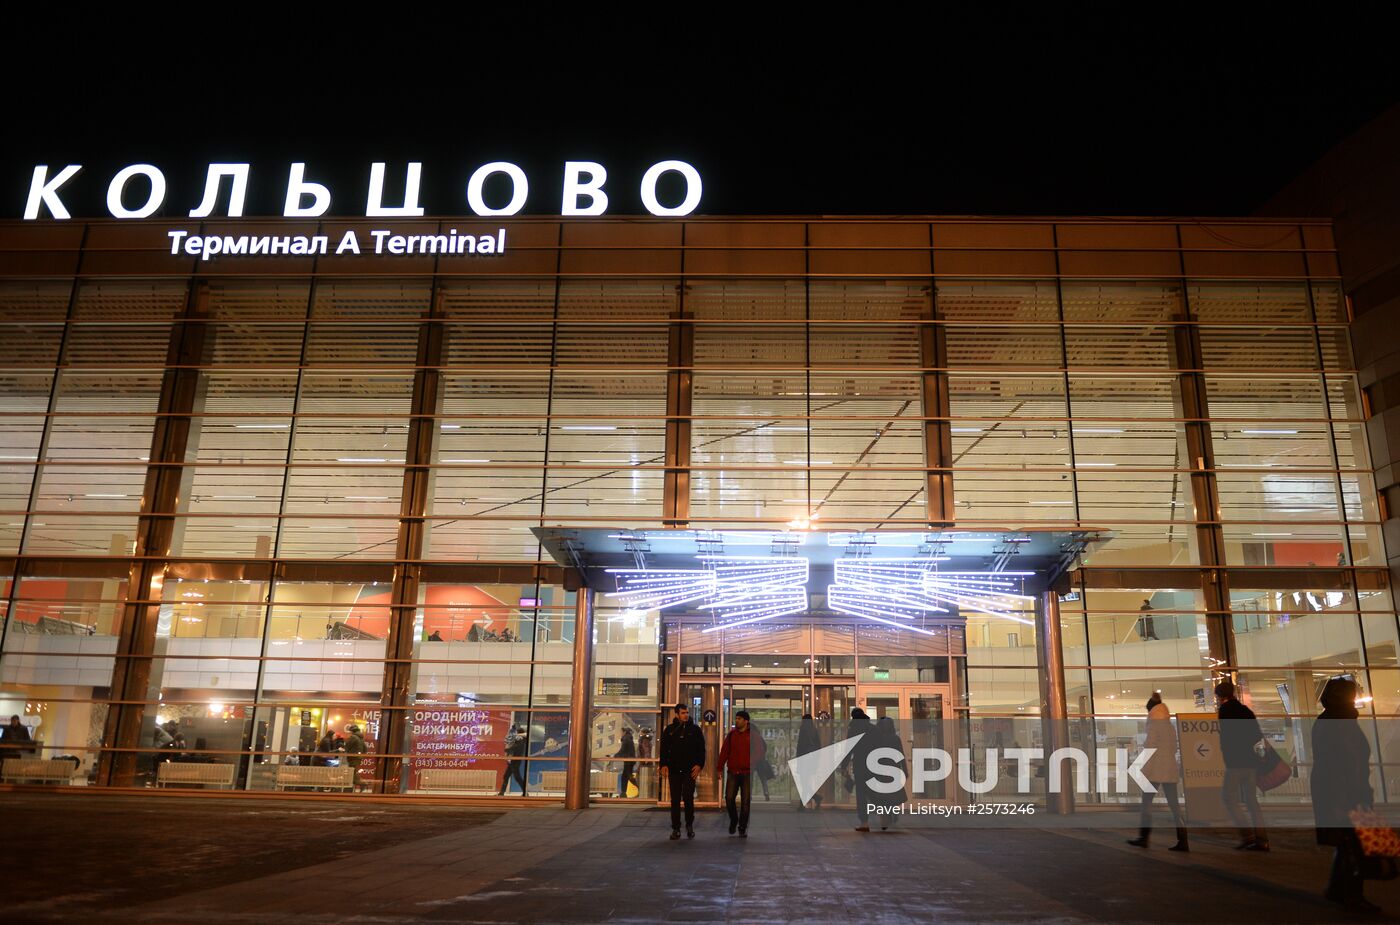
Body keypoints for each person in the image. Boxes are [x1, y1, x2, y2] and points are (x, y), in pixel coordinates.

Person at [1311, 677, 1381, 913]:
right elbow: (1340, 761)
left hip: (1343, 788)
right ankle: (1352, 894)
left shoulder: (1333, 719)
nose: (1354, 698)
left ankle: (1337, 889)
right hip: (1345, 790)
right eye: (1351, 694)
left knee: (1348, 841)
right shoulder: (1338, 721)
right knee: (1355, 842)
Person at [1126, 693, 1188, 851]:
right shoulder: (1169, 725)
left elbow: (1150, 746)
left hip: (1155, 768)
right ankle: (1183, 840)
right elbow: (1174, 748)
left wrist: (1141, 765)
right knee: (1175, 806)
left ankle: (1144, 838)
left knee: (1146, 803)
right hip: (1169, 768)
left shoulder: (1154, 724)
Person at [1216, 679, 1269, 850]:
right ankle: (1262, 839)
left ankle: (1247, 835)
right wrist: (1260, 758)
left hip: (1235, 762)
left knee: (1229, 798)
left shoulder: (1225, 711)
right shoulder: (1246, 711)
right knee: (1252, 801)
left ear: (1220, 696)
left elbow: (1227, 737)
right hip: (1251, 762)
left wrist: (1227, 756)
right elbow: (1257, 736)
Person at [658, 703, 706, 840]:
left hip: (689, 771)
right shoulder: (670, 730)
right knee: (675, 800)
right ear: (677, 714)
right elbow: (664, 749)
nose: (686, 715)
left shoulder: (695, 730)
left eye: (687, 712)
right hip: (674, 770)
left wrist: (699, 765)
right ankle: (676, 828)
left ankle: (689, 825)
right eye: (683, 713)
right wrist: (663, 765)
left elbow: (701, 749)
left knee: (688, 797)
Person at [719, 710, 766, 838]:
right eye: (736, 718)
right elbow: (724, 751)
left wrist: (751, 762)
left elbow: (760, 751)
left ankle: (742, 827)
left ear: (746, 721)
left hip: (746, 773)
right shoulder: (731, 735)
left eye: (739, 718)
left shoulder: (753, 736)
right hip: (733, 772)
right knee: (729, 798)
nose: (737, 720)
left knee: (745, 802)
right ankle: (734, 820)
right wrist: (719, 768)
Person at [838, 708, 876, 831]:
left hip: (860, 766)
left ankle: (864, 822)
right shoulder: (873, 729)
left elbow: (848, 750)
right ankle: (887, 813)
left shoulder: (853, 730)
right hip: (874, 765)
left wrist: (844, 767)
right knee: (874, 792)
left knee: (861, 794)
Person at [868, 715, 909, 830]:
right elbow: (901, 756)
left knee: (882, 796)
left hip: (879, 770)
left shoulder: (876, 738)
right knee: (893, 794)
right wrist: (905, 770)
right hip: (893, 770)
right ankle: (891, 812)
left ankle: (884, 819)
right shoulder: (895, 738)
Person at [795, 714, 823, 810]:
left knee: (804, 783)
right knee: (805, 783)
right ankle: (814, 798)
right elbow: (819, 745)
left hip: (804, 759)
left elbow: (800, 746)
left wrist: (798, 758)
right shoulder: (814, 730)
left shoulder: (803, 730)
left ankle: (804, 803)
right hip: (812, 759)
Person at [499, 725, 528, 795]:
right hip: (512, 761)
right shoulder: (517, 741)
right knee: (506, 776)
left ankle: (525, 793)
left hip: (515, 761)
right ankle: (501, 793)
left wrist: (507, 749)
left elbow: (513, 749)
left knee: (517, 777)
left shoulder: (521, 741)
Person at [343, 724, 367, 791]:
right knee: (354, 772)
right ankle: (351, 788)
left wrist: (345, 751)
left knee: (352, 773)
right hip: (358, 758)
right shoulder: (361, 738)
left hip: (353, 757)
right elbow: (365, 749)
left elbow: (347, 746)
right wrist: (361, 755)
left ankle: (361, 784)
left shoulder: (353, 737)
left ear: (352, 731)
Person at [616, 727, 637, 797]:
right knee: (625, 776)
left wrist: (615, 756)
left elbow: (623, 750)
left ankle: (639, 788)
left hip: (629, 760)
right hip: (630, 760)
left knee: (628, 775)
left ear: (624, 732)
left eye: (621, 732)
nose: (620, 734)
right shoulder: (628, 738)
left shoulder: (626, 739)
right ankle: (623, 793)